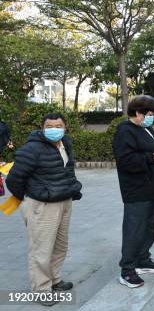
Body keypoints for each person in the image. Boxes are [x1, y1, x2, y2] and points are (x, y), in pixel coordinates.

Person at [6, 113, 82, 306]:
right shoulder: (32, 149)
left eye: (58, 125)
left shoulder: (65, 143)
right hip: (43, 206)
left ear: (65, 128)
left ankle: (55, 280)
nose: (54, 129)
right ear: (42, 128)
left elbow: (68, 170)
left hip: (64, 201)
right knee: (41, 249)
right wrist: (30, 197)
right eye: (49, 126)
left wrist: (72, 189)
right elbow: (14, 179)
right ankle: (41, 290)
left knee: (60, 246)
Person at [112, 96, 154, 288]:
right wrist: (151, 157)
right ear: (138, 113)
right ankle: (127, 269)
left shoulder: (145, 128)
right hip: (137, 190)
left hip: (152, 188)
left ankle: (143, 259)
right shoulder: (125, 131)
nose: (152, 117)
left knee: (150, 226)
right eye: (150, 114)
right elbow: (126, 161)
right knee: (134, 229)